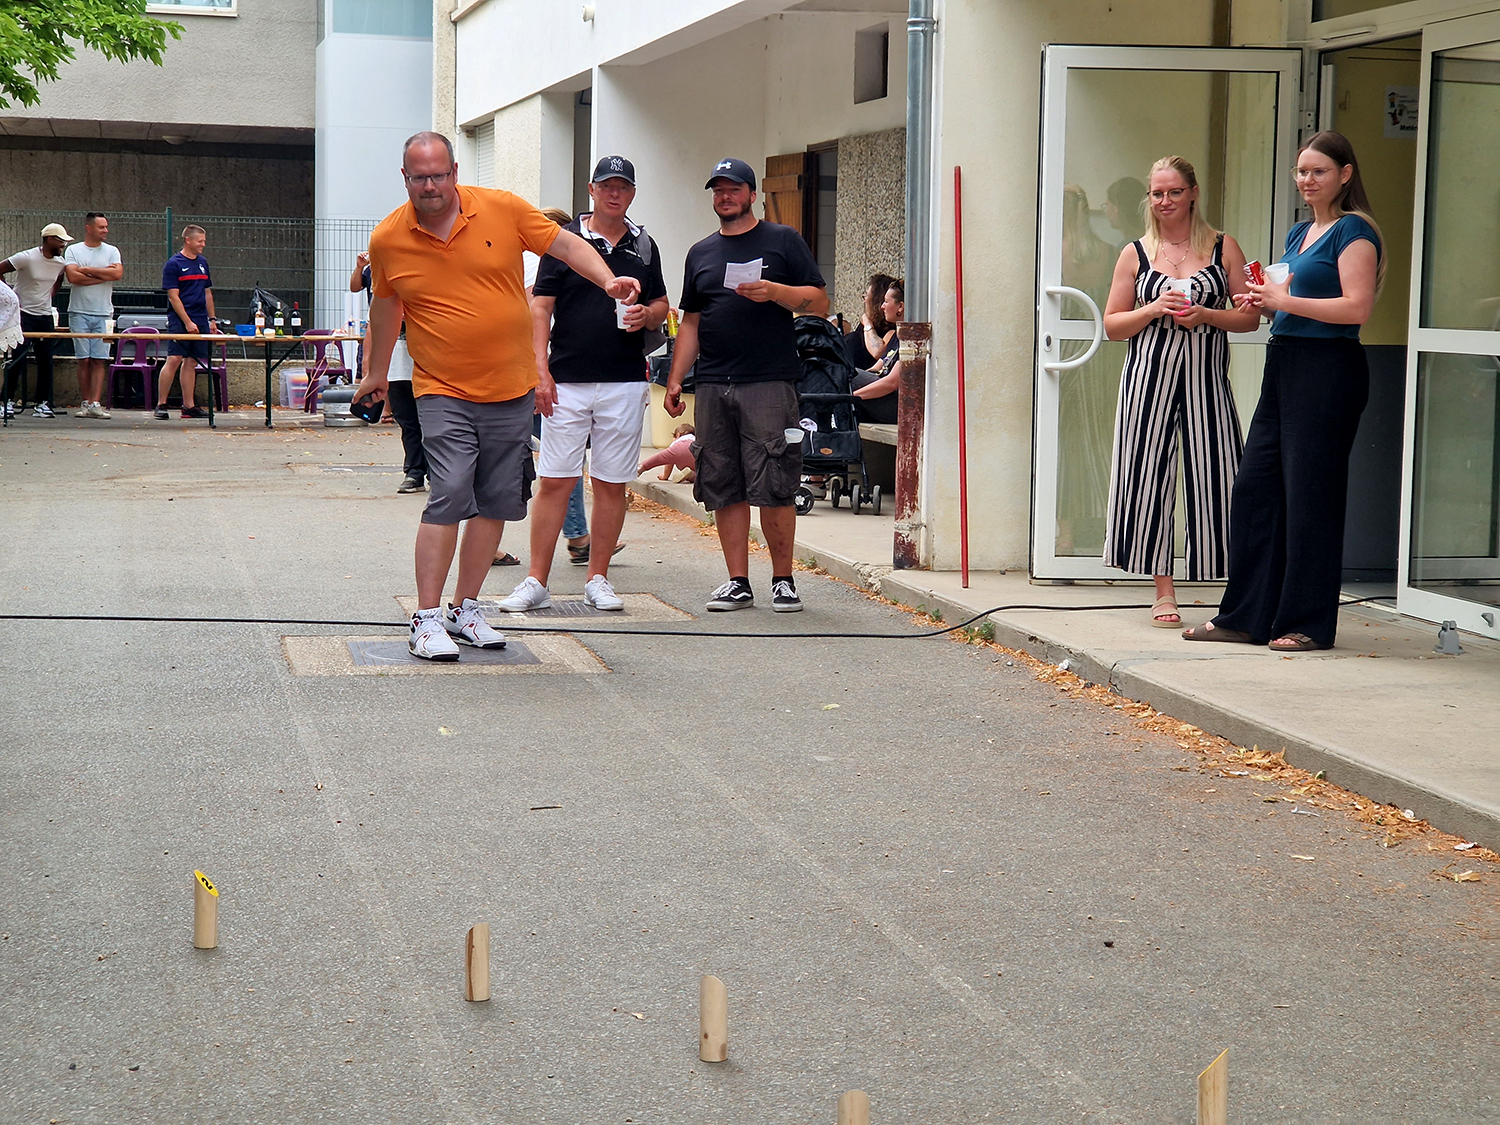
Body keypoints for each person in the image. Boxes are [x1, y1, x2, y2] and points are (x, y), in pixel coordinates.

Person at [353, 131, 640, 661]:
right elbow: (388, 306)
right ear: (405, 178)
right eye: (420, 177)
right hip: (441, 387)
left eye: (440, 175)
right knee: (449, 491)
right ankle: (425, 618)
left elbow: (566, 244)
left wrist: (607, 281)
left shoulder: (502, 208)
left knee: (494, 500)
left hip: (510, 387)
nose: (431, 186)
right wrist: (376, 373)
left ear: (455, 172)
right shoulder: (388, 237)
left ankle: (465, 609)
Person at [1183, 131, 1383, 653]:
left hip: (1328, 368)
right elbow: (1291, 303)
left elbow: (1357, 307)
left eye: (1319, 171)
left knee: (1310, 497)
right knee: (1256, 491)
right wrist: (1264, 303)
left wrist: (1284, 302)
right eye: (1301, 171)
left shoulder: (1355, 231)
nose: (1307, 180)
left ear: (1344, 174)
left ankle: (1307, 623)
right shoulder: (1299, 233)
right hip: (1285, 362)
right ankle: (1246, 617)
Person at [498, 155, 669, 615]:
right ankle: (536, 580)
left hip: (625, 381)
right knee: (556, 480)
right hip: (567, 380)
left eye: (623, 187)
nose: (615, 193)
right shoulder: (566, 241)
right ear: (591, 190)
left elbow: (661, 304)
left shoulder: (644, 244)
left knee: (611, 483)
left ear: (632, 193)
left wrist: (647, 315)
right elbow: (540, 306)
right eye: (606, 185)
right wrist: (540, 370)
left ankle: (598, 578)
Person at [665, 156, 829, 612]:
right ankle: (738, 580)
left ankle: (783, 580)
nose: (725, 196)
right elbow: (692, 322)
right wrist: (676, 379)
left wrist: (775, 292)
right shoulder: (701, 252)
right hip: (713, 382)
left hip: (769, 381)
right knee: (723, 481)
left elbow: (819, 301)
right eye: (718, 189)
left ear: (752, 195)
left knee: (775, 479)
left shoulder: (782, 240)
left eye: (733, 188)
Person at [1101, 156, 1259, 628]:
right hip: (1147, 382)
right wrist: (1152, 309)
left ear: (1193, 193)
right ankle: (1163, 590)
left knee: (1222, 477)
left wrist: (1206, 315)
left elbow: (1250, 318)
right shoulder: (1135, 253)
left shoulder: (1223, 246)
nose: (1165, 200)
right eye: (1157, 193)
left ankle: (1234, 587)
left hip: (1206, 382)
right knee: (1148, 478)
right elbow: (1112, 325)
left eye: (1174, 191)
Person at [351, 251, 426, 493]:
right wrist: (368, 367)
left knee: (433, 419)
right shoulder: (383, 285)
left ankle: (439, 473)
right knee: (407, 420)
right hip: (396, 362)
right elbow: (374, 326)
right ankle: (414, 472)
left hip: (429, 359)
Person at [1, 222, 71, 419]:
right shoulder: (27, 257)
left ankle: (42, 403)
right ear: (49, 239)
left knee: (46, 361)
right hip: (23, 314)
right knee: (17, 358)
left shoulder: (60, 263)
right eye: (60, 241)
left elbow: (59, 279)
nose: (63, 246)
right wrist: (9, 296)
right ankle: (6, 401)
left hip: (45, 315)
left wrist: (50, 295)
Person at [64, 212, 124, 419]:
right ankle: (85, 401)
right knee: (84, 359)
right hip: (79, 311)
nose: (105, 230)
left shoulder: (112, 251)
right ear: (89, 228)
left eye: (106, 227)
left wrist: (88, 270)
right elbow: (73, 277)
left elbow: (117, 274)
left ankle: (96, 403)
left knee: (99, 359)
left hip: (105, 313)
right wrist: (103, 275)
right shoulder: (73, 250)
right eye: (101, 227)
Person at [155, 225, 215, 420]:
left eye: (204, 241)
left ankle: (188, 406)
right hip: (180, 319)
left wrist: (212, 319)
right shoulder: (173, 264)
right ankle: (161, 404)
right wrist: (187, 322)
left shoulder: (203, 263)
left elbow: (207, 292)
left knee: (192, 361)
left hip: (200, 317)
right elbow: (173, 296)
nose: (203, 245)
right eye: (200, 241)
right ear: (188, 240)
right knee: (174, 358)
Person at [850, 279, 903, 425]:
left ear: (900, 307)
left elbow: (891, 383)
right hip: (882, 397)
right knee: (843, 373)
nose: (882, 306)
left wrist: (850, 396)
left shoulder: (910, 339)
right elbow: (875, 369)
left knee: (843, 373)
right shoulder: (895, 335)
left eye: (886, 302)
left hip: (897, 404)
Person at [844, 272, 897, 369]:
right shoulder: (863, 327)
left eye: (867, 296)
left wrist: (867, 323)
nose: (865, 300)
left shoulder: (893, 330)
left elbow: (878, 352)